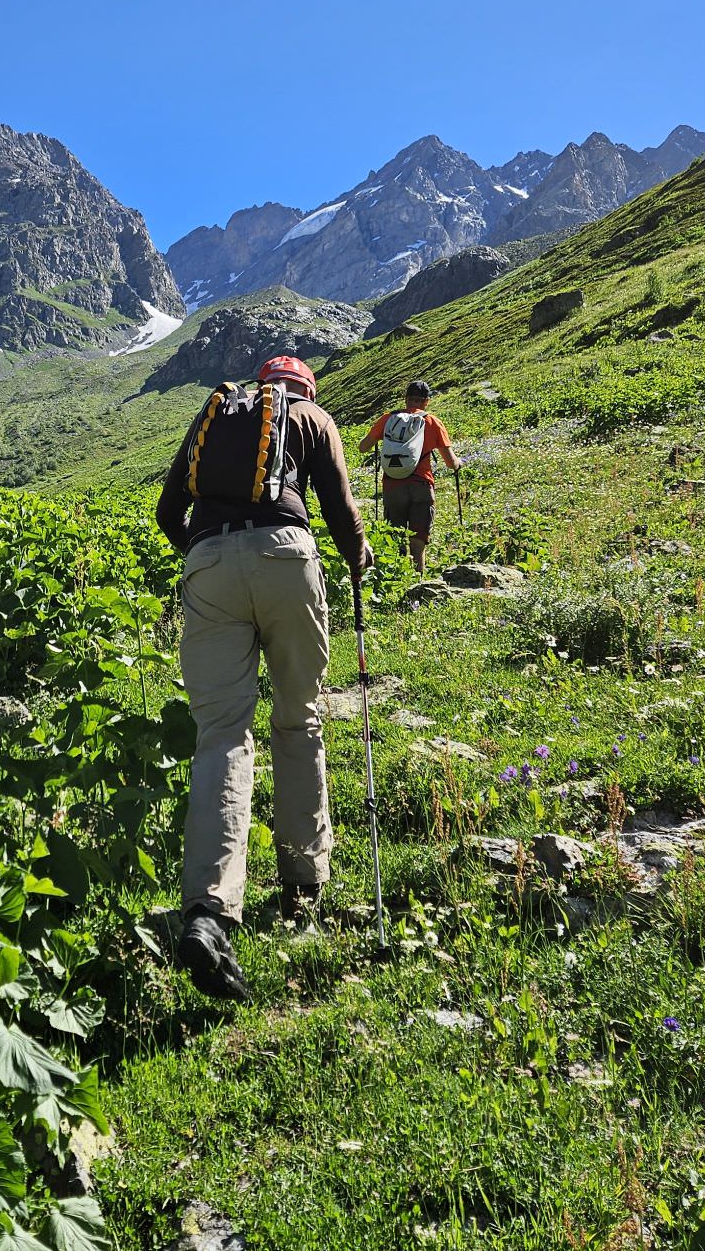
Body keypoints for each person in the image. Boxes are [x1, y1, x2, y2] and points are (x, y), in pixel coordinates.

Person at [155, 355, 373, 1002]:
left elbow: (170, 511)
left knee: (222, 734)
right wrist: (357, 556)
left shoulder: (215, 416)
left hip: (209, 565)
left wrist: (208, 553)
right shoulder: (310, 417)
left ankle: (209, 911)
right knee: (298, 719)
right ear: (303, 388)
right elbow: (337, 504)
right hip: (286, 556)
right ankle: (302, 882)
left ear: (259, 388)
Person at [358, 379, 457, 573]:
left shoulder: (388, 419)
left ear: (406, 399)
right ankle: (418, 577)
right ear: (426, 401)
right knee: (418, 538)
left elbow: (362, 447)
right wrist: (459, 464)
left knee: (394, 534)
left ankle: (394, 576)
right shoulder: (432, 422)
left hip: (393, 486)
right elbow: (450, 463)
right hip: (421, 485)